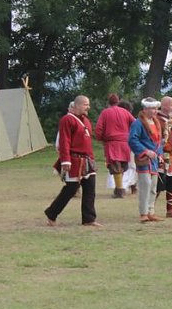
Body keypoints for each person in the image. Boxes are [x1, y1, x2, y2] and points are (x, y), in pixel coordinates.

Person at [44, 96, 102, 227]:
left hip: (87, 160)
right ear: (77, 105)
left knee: (90, 189)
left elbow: (87, 143)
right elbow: (65, 141)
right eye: (85, 104)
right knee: (70, 190)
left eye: (88, 104)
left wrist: (92, 159)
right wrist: (66, 161)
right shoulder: (67, 120)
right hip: (74, 160)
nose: (88, 107)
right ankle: (51, 214)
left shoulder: (86, 121)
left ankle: (89, 219)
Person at [128, 97, 165, 223]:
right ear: (145, 109)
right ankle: (143, 213)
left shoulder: (156, 122)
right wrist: (145, 151)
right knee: (145, 186)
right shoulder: (138, 123)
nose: (155, 111)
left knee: (154, 186)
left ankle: (151, 211)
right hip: (144, 159)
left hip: (154, 159)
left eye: (155, 108)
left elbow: (159, 141)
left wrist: (159, 154)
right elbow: (133, 140)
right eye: (152, 108)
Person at [94, 93, 135, 198]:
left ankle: (119, 190)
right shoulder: (125, 112)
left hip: (112, 143)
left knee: (115, 166)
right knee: (122, 166)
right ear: (118, 102)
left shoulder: (105, 112)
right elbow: (135, 124)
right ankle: (120, 189)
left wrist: (101, 139)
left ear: (108, 102)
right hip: (125, 143)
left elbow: (98, 129)